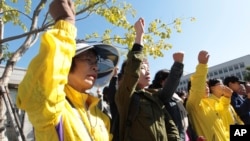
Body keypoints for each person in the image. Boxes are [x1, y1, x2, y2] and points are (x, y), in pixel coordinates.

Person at [16, 0, 119, 140]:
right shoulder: (53, 107)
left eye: (96, 63)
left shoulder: (101, 117)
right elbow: (40, 87)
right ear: (67, 63)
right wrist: (65, 24)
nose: (95, 67)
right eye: (88, 59)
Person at [115, 17, 184, 141]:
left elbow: (170, 127)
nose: (147, 71)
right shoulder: (125, 97)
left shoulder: (155, 98)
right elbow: (132, 71)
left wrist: (178, 65)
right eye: (142, 67)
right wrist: (139, 36)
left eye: (148, 67)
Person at [186, 50, 233, 141]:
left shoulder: (211, 103)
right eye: (203, 86)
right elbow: (197, 88)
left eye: (207, 86)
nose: (207, 88)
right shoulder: (193, 104)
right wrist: (202, 65)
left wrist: (227, 97)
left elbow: (222, 109)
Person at [148, 69, 188, 141]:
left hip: (183, 135)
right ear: (161, 81)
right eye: (170, 79)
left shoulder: (175, 97)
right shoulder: (158, 97)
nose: (173, 82)